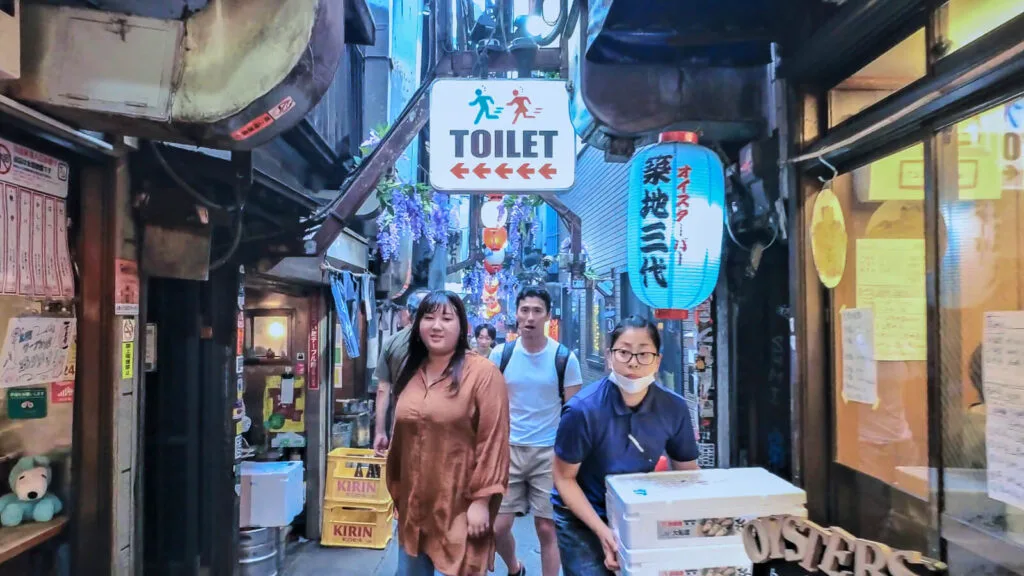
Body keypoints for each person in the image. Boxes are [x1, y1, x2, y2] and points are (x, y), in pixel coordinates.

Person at [552, 316, 699, 575]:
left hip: (639, 511)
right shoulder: (581, 411)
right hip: (584, 515)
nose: (633, 362)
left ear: (657, 361)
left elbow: (687, 474)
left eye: (644, 354)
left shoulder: (673, 408)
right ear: (609, 357)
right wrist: (602, 531)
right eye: (624, 352)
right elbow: (564, 479)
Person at [386, 290, 511, 576]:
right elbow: (403, 435)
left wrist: (481, 501)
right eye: (428, 318)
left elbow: (494, 441)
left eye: (446, 318)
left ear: (462, 326)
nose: (436, 326)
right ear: (418, 325)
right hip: (414, 505)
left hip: (460, 504)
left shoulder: (483, 374)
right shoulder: (411, 370)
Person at [490, 286, 583, 576]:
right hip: (509, 451)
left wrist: (573, 459)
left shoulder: (564, 359)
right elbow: (490, 403)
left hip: (549, 453)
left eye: (537, 311)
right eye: (524, 310)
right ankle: (515, 567)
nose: (530, 317)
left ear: (548, 316)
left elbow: (573, 414)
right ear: (516, 314)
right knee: (498, 526)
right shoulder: (500, 355)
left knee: (546, 528)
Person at [373, 288, 431, 457]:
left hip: (401, 423)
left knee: (403, 476)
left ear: (408, 313)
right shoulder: (443, 343)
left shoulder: (392, 343)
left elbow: (383, 390)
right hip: (438, 425)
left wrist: (380, 432)